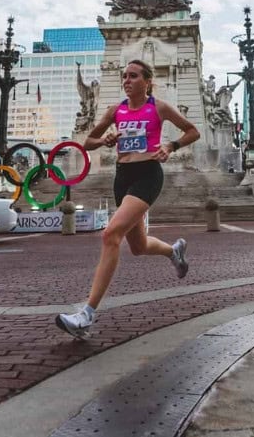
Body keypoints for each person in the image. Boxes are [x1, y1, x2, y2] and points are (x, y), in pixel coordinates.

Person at [55, 59, 201, 339]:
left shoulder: (159, 107)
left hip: (148, 175)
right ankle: (174, 252)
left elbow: (193, 131)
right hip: (122, 177)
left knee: (111, 234)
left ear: (147, 81)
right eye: (124, 76)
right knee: (138, 246)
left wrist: (170, 146)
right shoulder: (115, 110)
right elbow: (88, 142)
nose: (126, 80)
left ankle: (86, 314)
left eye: (133, 76)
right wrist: (105, 140)